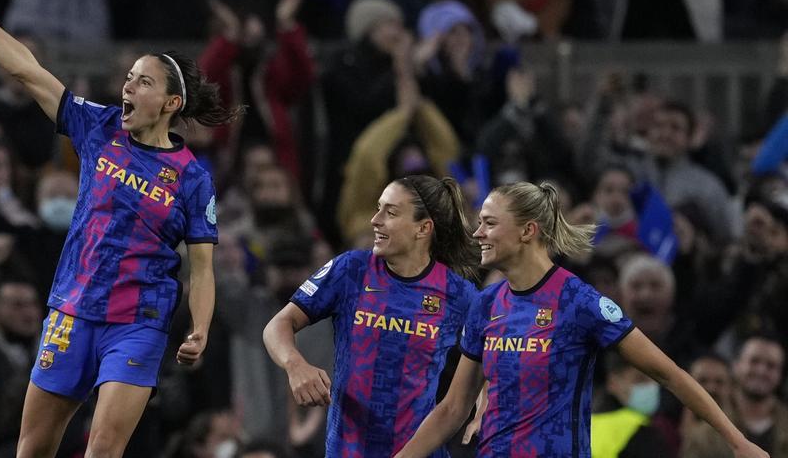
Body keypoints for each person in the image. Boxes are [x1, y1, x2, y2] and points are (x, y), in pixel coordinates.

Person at [0, 0, 241, 458]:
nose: (128, 85)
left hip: (137, 323)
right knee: (32, 449)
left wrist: (200, 327)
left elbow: (201, 267)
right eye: (128, 77)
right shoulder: (98, 128)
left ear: (170, 103)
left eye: (143, 81)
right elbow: (27, 70)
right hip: (72, 311)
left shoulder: (191, 178)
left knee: (102, 448)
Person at [394, 182, 768, 458]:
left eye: (489, 223)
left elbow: (669, 374)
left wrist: (738, 442)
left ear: (528, 231)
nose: (478, 234)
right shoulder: (486, 303)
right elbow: (451, 409)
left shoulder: (579, 302)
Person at [263, 175, 480, 457]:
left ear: (423, 228)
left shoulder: (459, 295)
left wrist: (484, 399)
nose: (375, 220)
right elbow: (278, 324)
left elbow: (489, 359)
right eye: (378, 208)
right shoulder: (351, 269)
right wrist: (295, 364)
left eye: (390, 213)